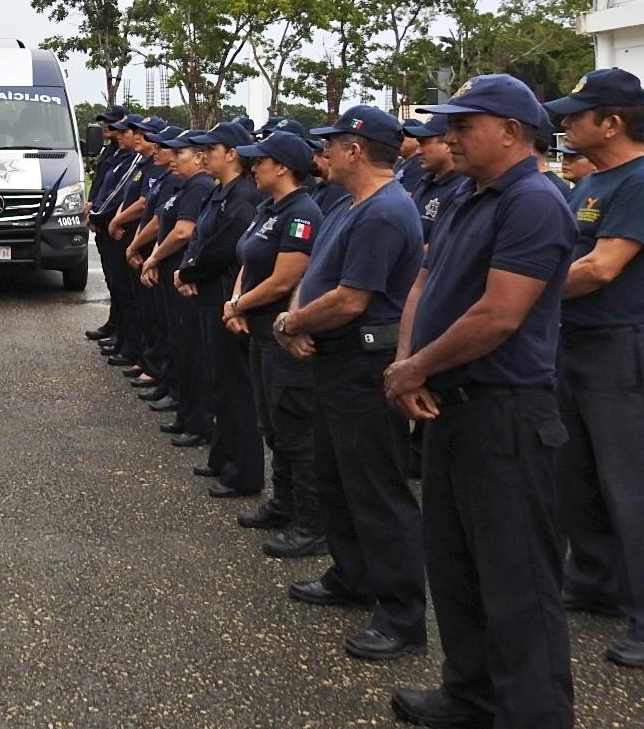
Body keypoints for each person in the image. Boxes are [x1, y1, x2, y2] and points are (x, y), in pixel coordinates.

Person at [381, 75, 576, 729]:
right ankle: (471, 698)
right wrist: (410, 365)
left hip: (505, 416)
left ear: (511, 131)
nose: (450, 137)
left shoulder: (536, 202)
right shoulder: (470, 193)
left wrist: (415, 369)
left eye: (464, 126)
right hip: (450, 407)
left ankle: (533, 715)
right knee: (457, 571)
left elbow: (499, 315)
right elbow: (425, 282)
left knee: (518, 585)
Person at [273, 105, 426, 661]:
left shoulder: (385, 211)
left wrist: (292, 322)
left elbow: (351, 298)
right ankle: (353, 575)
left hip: (361, 367)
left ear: (356, 150)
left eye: (332, 145)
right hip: (332, 359)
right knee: (337, 478)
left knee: (377, 490)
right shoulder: (349, 205)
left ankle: (402, 615)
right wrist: (293, 317)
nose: (325, 154)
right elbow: (316, 275)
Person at [544, 68, 644, 668]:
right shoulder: (592, 182)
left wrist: (524, 292)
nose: (566, 123)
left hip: (624, 348)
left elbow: (600, 269)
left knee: (637, 488)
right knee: (579, 476)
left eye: (577, 115)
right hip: (577, 343)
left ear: (613, 122)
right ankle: (595, 581)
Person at [228, 130, 327, 558]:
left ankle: (310, 523)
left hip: (282, 334)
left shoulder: (302, 213)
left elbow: (286, 279)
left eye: (261, 161)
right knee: (272, 424)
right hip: (260, 330)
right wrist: (236, 302)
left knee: (295, 430)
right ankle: (283, 504)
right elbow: (248, 258)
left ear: (282, 166)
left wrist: (238, 305)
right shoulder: (270, 207)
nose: (254, 167)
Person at [176, 121, 261, 495]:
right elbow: (201, 237)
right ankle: (223, 458)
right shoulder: (220, 191)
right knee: (220, 381)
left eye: (212, 149)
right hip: (209, 289)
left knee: (236, 386)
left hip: (225, 294)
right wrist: (190, 269)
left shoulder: (242, 194)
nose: (205, 155)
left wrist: (189, 270)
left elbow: (225, 246)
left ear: (232, 154)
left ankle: (243, 473)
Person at [140, 133, 216, 447]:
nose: (172, 158)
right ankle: (185, 412)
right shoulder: (185, 185)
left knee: (191, 351)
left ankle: (197, 420)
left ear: (198, 158)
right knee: (178, 343)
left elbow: (184, 231)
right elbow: (164, 222)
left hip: (186, 279)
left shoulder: (200, 186)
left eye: (179, 153)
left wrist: (154, 257)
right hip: (172, 274)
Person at [128, 126, 186, 410]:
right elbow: (158, 216)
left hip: (173, 265)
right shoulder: (167, 178)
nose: (167, 154)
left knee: (174, 332)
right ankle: (169, 384)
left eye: (173, 150)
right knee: (162, 324)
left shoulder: (193, 186)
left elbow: (181, 231)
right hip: (159, 259)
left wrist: (148, 253)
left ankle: (178, 392)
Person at [97, 116, 155, 370]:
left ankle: (137, 351)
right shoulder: (136, 162)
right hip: (121, 231)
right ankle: (125, 341)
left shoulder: (151, 167)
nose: (121, 135)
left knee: (136, 300)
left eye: (141, 134)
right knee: (121, 290)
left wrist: (115, 220)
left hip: (133, 236)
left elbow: (144, 204)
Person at [85, 107, 133, 346]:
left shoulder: (129, 156)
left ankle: (121, 332)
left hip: (116, 224)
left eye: (112, 125)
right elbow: (101, 182)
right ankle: (114, 324)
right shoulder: (110, 151)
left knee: (121, 283)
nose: (107, 127)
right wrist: (91, 208)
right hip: (103, 221)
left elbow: (120, 193)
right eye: (105, 123)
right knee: (112, 281)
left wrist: (105, 216)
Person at [405, 115, 471, 245]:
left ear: (447, 143)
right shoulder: (425, 182)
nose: (418, 151)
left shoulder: (464, 188)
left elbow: (445, 245)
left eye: (423, 143)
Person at [395, 120, 427, 192]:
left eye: (403, 136)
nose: (399, 139)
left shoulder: (419, 163)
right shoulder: (399, 162)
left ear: (418, 139)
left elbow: (408, 196)